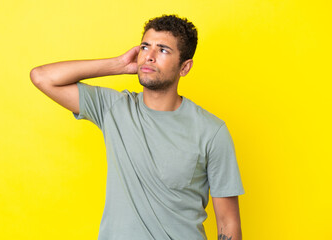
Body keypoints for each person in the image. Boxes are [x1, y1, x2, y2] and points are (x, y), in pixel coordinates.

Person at [30, 14, 245, 240]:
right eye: (145, 47)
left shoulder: (212, 131)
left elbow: (228, 224)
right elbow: (42, 77)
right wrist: (119, 65)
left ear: (185, 67)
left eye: (163, 50)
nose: (149, 57)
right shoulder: (113, 108)